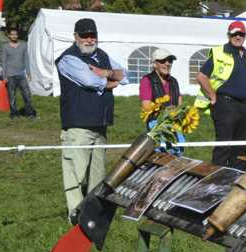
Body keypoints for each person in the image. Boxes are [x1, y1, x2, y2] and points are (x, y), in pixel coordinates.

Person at [56, 18, 126, 220]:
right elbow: (90, 81)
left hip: (100, 124)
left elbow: (126, 74)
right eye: (84, 35)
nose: (89, 39)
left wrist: (108, 73)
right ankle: (76, 215)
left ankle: (92, 215)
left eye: (92, 35)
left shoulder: (102, 55)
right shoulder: (68, 59)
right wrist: (111, 82)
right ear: (75, 36)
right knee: (77, 174)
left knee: (97, 174)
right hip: (78, 125)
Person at [196, 20, 246, 169]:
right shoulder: (219, 52)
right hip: (226, 104)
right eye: (234, 34)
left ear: (245, 36)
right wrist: (212, 95)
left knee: (241, 147)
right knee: (224, 145)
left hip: (245, 107)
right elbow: (201, 76)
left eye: (241, 34)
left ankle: (237, 181)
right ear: (229, 35)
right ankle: (215, 182)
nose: (238, 37)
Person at [139, 48, 185, 155]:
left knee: (178, 155)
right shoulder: (147, 80)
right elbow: (146, 106)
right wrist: (167, 114)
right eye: (163, 61)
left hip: (174, 124)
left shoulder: (174, 81)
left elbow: (180, 105)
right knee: (162, 156)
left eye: (170, 61)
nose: (167, 63)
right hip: (157, 125)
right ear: (154, 64)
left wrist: (177, 116)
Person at [1, 28, 34, 118]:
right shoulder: (5, 47)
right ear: (9, 36)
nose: (14, 36)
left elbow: (26, 60)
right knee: (12, 96)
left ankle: (30, 113)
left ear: (17, 35)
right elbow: (3, 62)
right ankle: (14, 113)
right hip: (10, 75)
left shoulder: (23, 45)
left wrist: (29, 73)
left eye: (15, 34)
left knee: (27, 94)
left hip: (21, 74)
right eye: (12, 34)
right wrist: (4, 76)